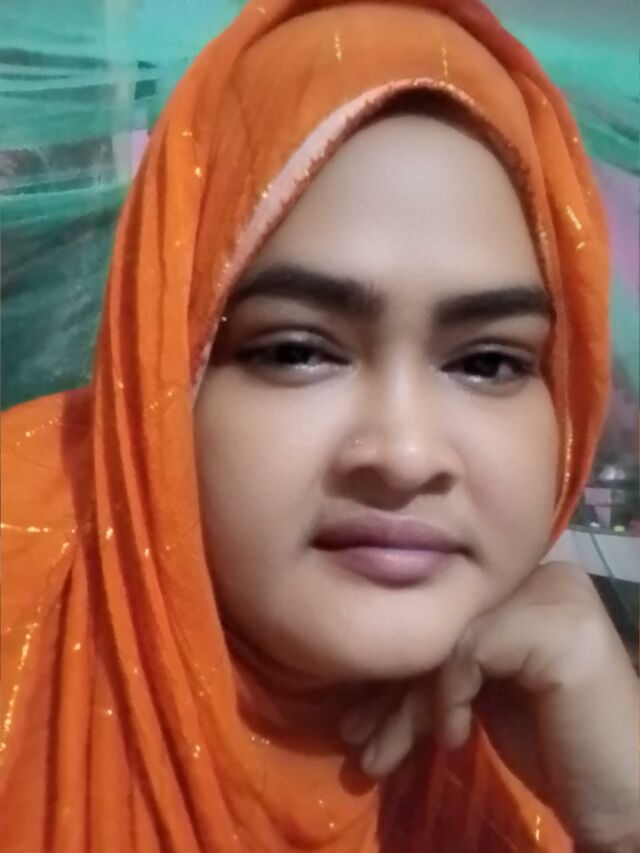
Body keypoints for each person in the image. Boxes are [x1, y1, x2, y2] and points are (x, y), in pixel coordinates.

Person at [1, 1, 638, 850]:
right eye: (297, 351)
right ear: (163, 377)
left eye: (489, 363)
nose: (404, 455)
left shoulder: (564, 752)